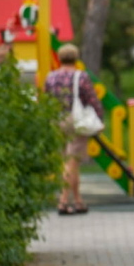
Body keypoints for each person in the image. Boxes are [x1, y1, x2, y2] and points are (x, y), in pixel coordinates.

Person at [43, 43, 104, 215]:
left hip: (55, 120)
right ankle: (63, 202)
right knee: (72, 162)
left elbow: (45, 98)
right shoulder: (81, 77)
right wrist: (99, 119)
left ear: (60, 58)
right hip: (75, 122)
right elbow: (92, 99)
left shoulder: (50, 77)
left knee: (69, 163)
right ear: (76, 58)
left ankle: (78, 201)